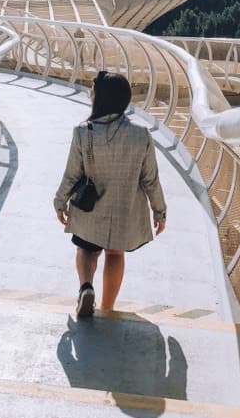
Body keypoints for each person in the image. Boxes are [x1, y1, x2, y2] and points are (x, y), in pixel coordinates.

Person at [53, 71, 167, 318]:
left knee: (85, 249)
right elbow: (150, 178)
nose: (90, 95)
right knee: (115, 254)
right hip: (124, 208)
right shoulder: (141, 134)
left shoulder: (84, 131)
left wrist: (60, 200)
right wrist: (160, 211)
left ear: (101, 98)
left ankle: (86, 287)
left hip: (89, 208)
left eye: (92, 91)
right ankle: (107, 307)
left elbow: (72, 173)